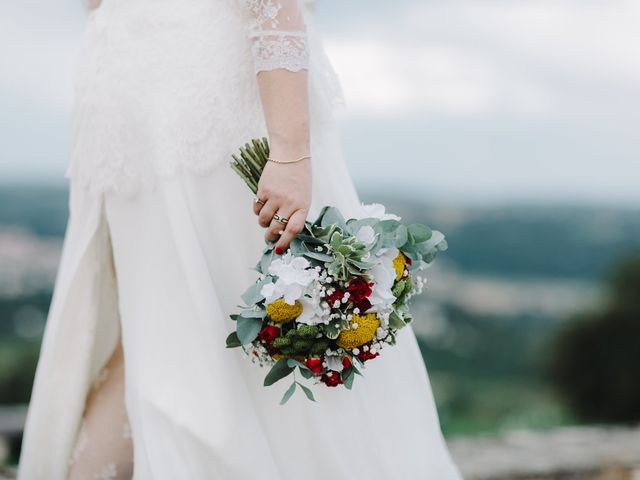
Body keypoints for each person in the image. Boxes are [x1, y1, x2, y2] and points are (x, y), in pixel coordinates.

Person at [17, 0, 463, 478]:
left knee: (157, 342)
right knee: (223, 336)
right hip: (212, 102)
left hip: (124, 87)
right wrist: (291, 153)